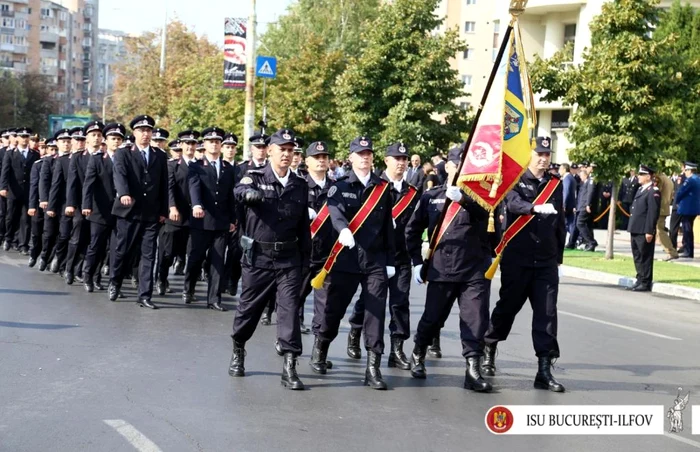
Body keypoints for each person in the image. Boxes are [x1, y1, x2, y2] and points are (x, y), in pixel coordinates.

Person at [405, 145, 493, 391]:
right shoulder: (431, 196)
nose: (463, 168)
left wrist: (463, 199)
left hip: (474, 269)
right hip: (442, 269)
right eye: (458, 164)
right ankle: (419, 351)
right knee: (433, 319)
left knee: (475, 320)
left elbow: (488, 220)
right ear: (450, 166)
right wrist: (416, 262)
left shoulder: (482, 197)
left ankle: (472, 370)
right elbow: (412, 230)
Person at [229, 128, 311, 390]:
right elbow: (239, 192)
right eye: (282, 149)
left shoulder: (299, 185)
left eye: (291, 150)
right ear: (270, 151)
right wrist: (247, 195)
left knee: (289, 311)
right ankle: (238, 347)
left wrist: (306, 260)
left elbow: (302, 228)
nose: (287, 154)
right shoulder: (254, 177)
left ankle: (289, 366)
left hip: (288, 259)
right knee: (248, 311)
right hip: (258, 258)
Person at [483, 136, 566, 393]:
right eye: (539, 154)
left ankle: (544, 369)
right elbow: (513, 203)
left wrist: (558, 257)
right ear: (528, 155)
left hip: (545, 261)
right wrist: (533, 208)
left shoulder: (555, 184)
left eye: (547, 154)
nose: (543, 159)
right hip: (517, 259)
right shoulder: (514, 180)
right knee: (507, 308)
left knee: (547, 314)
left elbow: (560, 223)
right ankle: (489, 347)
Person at [311, 136, 395, 390]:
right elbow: (334, 211)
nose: (365, 157)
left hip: (374, 260)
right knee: (334, 310)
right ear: (351, 158)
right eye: (360, 153)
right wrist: (342, 229)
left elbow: (388, 227)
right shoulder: (340, 186)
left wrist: (390, 260)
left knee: (376, 312)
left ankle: (373, 367)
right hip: (346, 257)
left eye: (368, 153)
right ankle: (322, 345)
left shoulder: (382, 188)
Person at [346, 142, 419, 370]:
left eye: (404, 159)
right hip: (375, 256)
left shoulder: (413, 193)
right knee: (369, 300)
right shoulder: (375, 186)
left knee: (400, 303)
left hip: (401, 256)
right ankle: (356, 330)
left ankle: (397, 349)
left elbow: (417, 226)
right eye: (396, 158)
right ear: (386, 160)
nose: (401, 163)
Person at [109, 115, 168, 308]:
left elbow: (163, 184)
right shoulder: (123, 153)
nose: (146, 134)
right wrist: (123, 193)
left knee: (148, 255)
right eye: (142, 130)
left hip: (151, 213)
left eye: (149, 130)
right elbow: (120, 175)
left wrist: (163, 210)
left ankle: (144, 295)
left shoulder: (159, 155)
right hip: (129, 211)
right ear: (134, 133)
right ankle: (115, 282)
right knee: (123, 250)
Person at [184, 127, 237, 311]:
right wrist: (196, 205)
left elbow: (231, 195)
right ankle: (189, 288)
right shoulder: (196, 166)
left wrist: (233, 219)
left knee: (217, 260)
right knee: (196, 258)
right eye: (211, 141)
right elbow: (194, 187)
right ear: (204, 145)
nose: (214, 144)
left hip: (221, 221)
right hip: (202, 219)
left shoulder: (228, 168)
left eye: (217, 141)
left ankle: (214, 298)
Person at [81, 123, 124, 293]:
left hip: (121, 211)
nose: (116, 142)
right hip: (100, 211)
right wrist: (86, 205)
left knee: (115, 249)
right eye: (113, 139)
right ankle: (89, 275)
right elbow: (88, 185)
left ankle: (113, 282)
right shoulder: (98, 159)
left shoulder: (126, 159)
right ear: (106, 141)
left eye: (119, 139)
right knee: (96, 246)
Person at [299, 141, 333, 338]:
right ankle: (289, 342)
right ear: (307, 161)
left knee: (325, 303)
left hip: (328, 254)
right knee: (296, 297)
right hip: (303, 252)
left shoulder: (336, 188)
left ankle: (319, 347)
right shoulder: (299, 185)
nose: (321, 161)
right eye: (316, 158)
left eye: (324, 157)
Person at [0, 127, 39, 254]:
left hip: (29, 191)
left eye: (27, 136)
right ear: (17, 138)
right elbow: (5, 172)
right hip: (13, 190)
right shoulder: (10, 153)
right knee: (11, 216)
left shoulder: (35, 154)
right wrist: (3, 187)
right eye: (22, 136)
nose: (24, 139)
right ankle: (8, 237)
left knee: (26, 219)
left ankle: (23, 244)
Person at [627, 165, 661, 291]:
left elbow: (652, 213)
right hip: (636, 228)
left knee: (645, 256)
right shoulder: (641, 189)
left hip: (644, 229)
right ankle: (640, 278)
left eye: (641, 175)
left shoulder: (653, 191)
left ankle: (646, 281)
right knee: (637, 255)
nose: (638, 177)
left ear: (648, 177)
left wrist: (649, 230)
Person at [27, 140, 56, 266]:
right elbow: (34, 186)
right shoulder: (38, 165)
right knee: (36, 232)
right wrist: (32, 205)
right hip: (39, 203)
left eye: (55, 149)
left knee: (49, 233)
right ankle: (34, 254)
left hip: (53, 203)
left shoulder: (62, 162)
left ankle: (45, 256)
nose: (53, 152)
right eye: (51, 149)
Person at [675, 162, 700, 258]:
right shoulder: (697, 179)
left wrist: (676, 200)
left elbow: (681, 192)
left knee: (687, 230)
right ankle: (689, 251)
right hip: (693, 208)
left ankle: (688, 251)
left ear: (689, 170)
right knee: (688, 229)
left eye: (685, 170)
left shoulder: (690, 180)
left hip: (688, 209)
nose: (684, 172)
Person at [654, 171, 678, 261]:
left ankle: (671, 251)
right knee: (658, 231)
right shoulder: (669, 180)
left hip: (659, 208)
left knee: (660, 232)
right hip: (665, 207)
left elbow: (656, 192)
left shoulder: (660, 178)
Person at [575, 169, 596, 251]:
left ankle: (591, 241)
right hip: (582, 206)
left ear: (585, 175)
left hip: (585, 206)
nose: (580, 178)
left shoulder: (590, 181)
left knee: (579, 223)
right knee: (588, 225)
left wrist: (588, 205)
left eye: (581, 176)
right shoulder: (584, 183)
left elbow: (590, 193)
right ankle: (589, 243)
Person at [559, 163, 576, 248]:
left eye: (560, 169)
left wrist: (563, 204)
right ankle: (572, 241)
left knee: (566, 224)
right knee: (570, 224)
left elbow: (566, 192)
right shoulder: (571, 178)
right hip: (571, 205)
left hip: (567, 205)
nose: (559, 171)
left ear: (564, 169)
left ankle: (572, 241)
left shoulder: (567, 179)